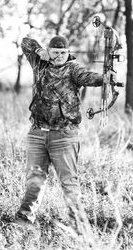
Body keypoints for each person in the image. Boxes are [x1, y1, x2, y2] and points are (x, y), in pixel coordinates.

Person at [15, 35, 103, 237]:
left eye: (64, 52)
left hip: (64, 135)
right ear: (49, 51)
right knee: (34, 179)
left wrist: (105, 79)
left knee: (69, 182)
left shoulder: (73, 69)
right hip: (37, 133)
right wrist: (40, 52)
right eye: (55, 52)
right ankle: (23, 220)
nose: (60, 56)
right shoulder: (40, 63)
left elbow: (88, 77)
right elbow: (26, 41)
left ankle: (78, 227)